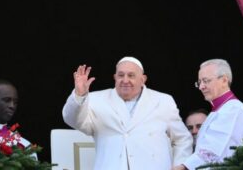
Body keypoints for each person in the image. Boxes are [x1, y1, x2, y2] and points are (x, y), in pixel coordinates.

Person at [62, 56, 193, 170]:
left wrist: (179, 165)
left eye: (131, 75)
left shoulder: (163, 101)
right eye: (120, 75)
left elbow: (182, 139)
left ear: (143, 79)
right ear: (114, 77)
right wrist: (79, 95)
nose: (125, 80)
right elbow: (73, 120)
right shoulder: (96, 99)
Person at [183, 59, 243, 170]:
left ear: (224, 80)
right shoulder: (221, 109)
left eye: (206, 81)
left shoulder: (233, 109)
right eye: (199, 82)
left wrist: (184, 167)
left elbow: (211, 151)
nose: (201, 86)